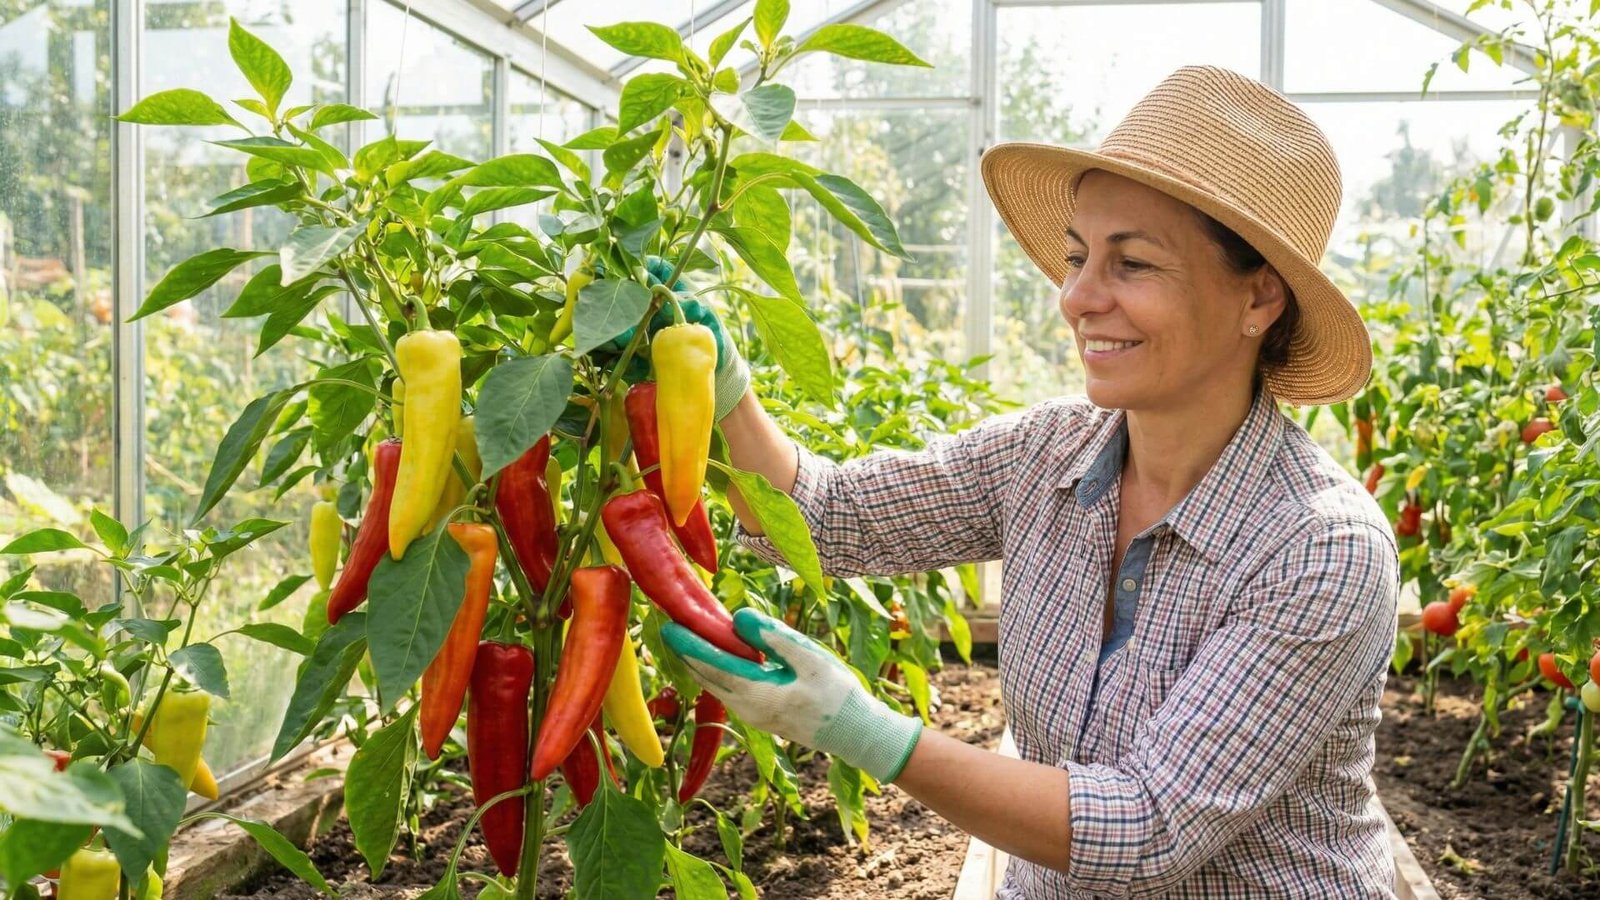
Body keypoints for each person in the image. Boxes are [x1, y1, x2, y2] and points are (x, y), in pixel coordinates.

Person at [662, 65, 1401, 897]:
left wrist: (862, 729)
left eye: (1133, 264)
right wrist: (724, 388)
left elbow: (1147, 827)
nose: (1077, 298)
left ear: (1259, 297)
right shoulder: (1047, 453)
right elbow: (831, 517)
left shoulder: (1321, 545)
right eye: (1079, 257)